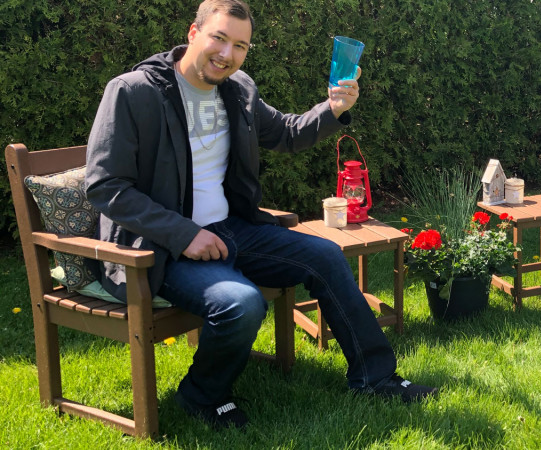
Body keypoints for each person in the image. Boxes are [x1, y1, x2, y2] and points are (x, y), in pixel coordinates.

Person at [85, 0, 437, 429]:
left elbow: (286, 133)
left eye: (240, 46)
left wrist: (334, 109)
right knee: (241, 303)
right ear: (193, 33)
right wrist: (184, 234)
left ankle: (376, 377)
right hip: (161, 247)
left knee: (325, 256)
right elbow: (105, 185)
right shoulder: (133, 91)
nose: (227, 54)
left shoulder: (238, 89)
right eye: (219, 38)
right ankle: (202, 395)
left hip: (233, 229)